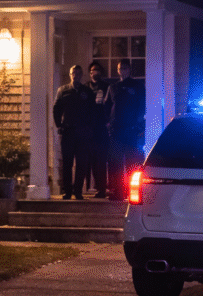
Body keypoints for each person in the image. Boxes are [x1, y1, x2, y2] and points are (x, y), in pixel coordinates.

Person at [53, 64, 97, 199]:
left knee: (81, 163)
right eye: (73, 73)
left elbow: (93, 111)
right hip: (68, 131)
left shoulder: (87, 92)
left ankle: (77, 191)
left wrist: (89, 128)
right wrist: (59, 125)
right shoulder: (63, 90)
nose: (76, 76)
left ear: (81, 75)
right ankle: (67, 191)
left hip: (83, 132)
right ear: (70, 75)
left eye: (78, 73)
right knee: (67, 162)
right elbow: (56, 109)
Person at [105, 59, 146, 200]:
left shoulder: (137, 86)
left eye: (125, 68)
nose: (123, 71)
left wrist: (139, 125)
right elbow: (107, 106)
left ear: (129, 70)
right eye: (120, 68)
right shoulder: (113, 87)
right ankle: (117, 191)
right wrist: (108, 124)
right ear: (118, 70)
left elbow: (143, 106)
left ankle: (131, 191)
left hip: (131, 130)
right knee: (115, 163)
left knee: (132, 163)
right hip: (116, 130)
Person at [86, 62, 111, 198]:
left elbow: (110, 106)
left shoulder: (107, 87)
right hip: (89, 129)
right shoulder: (85, 87)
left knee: (101, 159)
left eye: (96, 70)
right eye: (92, 70)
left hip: (102, 128)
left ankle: (102, 188)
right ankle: (97, 185)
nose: (94, 72)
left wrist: (108, 122)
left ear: (100, 72)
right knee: (92, 160)